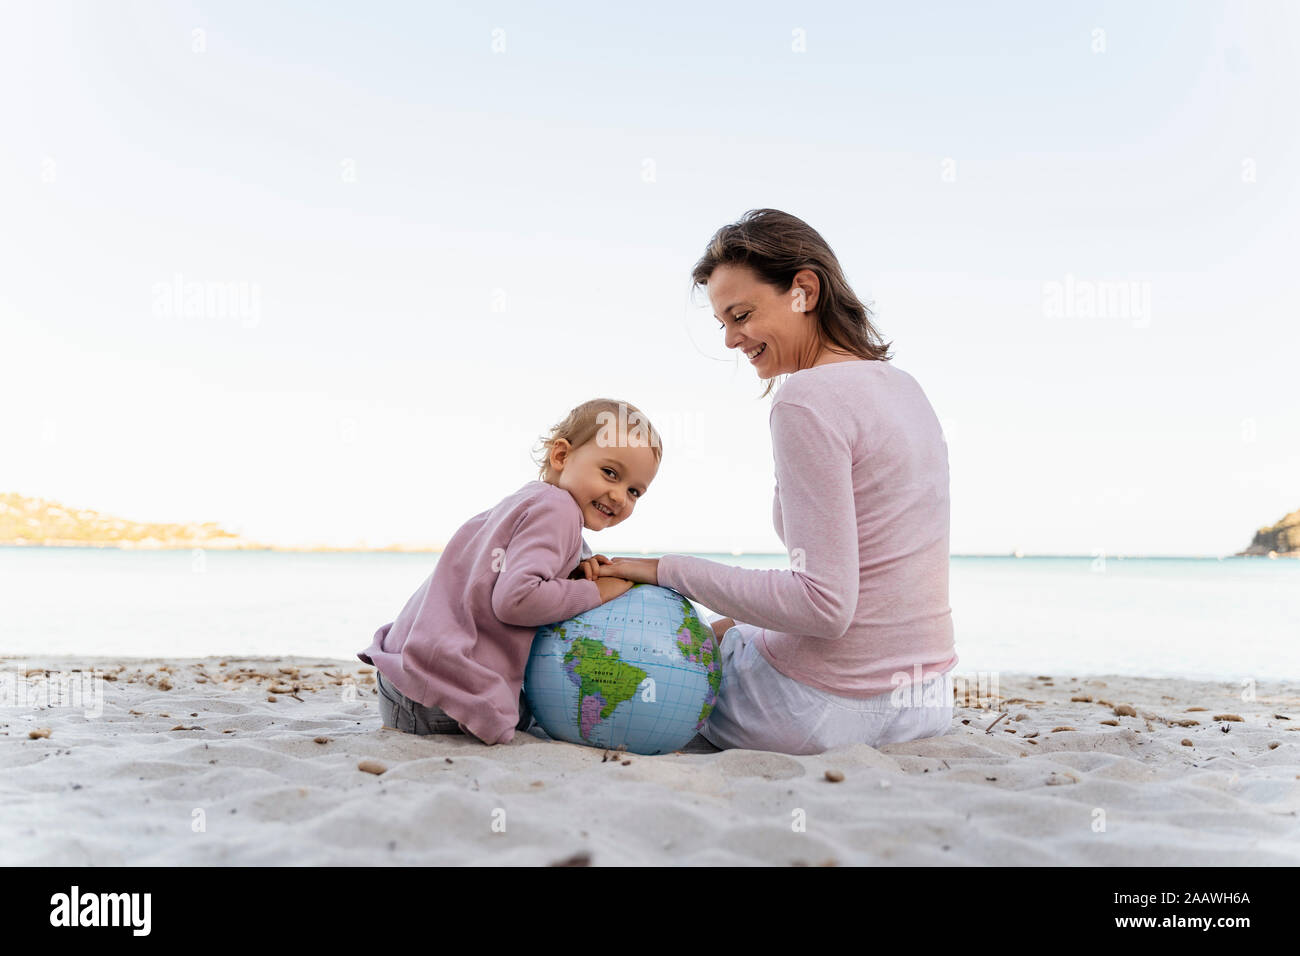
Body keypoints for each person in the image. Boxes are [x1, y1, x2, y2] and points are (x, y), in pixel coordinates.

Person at [597, 209, 958, 755]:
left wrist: (662, 570)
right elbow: (870, 580)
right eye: (722, 322)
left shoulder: (805, 401)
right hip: (926, 702)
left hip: (818, 711)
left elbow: (823, 608)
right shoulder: (906, 388)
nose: (730, 339)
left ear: (804, 291)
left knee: (625, 664)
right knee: (727, 632)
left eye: (741, 315)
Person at [359, 398, 661, 744]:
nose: (620, 496)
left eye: (634, 491)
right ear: (561, 456)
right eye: (610, 473)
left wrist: (574, 572)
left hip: (407, 678)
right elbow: (516, 600)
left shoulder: (534, 500)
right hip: (437, 697)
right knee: (530, 712)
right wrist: (596, 592)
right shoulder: (559, 512)